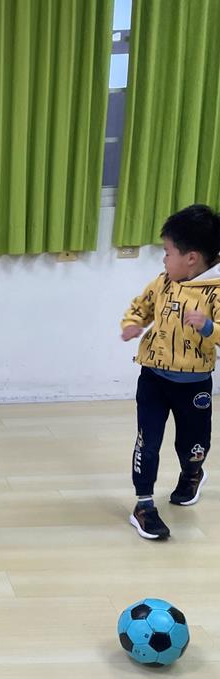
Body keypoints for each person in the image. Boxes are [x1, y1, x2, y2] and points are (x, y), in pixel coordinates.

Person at [122, 204, 220, 540]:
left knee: (193, 443)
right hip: (153, 378)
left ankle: (192, 474)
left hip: (193, 385)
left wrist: (208, 326)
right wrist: (133, 323)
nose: (163, 259)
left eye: (167, 252)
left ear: (191, 258)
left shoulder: (216, 291)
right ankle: (144, 504)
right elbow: (141, 306)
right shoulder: (162, 283)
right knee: (147, 441)